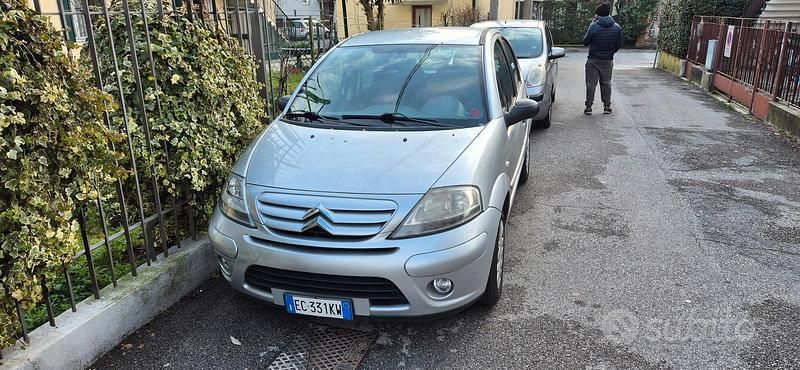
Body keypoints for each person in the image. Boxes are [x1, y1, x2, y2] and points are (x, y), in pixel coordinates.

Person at [582, 3, 623, 115]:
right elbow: (619, 44)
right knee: (606, 83)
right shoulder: (617, 27)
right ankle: (606, 107)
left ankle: (588, 107)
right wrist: (611, 52)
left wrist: (591, 24)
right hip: (607, 60)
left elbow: (585, 42)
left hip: (593, 59)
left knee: (591, 84)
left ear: (598, 14)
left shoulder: (593, 26)